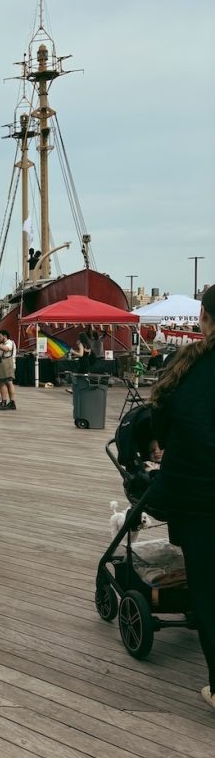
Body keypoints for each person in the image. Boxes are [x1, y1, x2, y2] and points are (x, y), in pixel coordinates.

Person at [150, 284, 215, 712]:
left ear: (204, 319)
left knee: (208, 589)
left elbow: (163, 424)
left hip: (198, 495)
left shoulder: (187, 366)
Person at [0, 329, 17, 410]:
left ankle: (5, 401)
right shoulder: (2, 344)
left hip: (7, 365)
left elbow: (6, 349)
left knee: (6, 383)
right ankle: (9, 402)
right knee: (5, 383)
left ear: (5, 336)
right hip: (4, 365)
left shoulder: (10, 343)